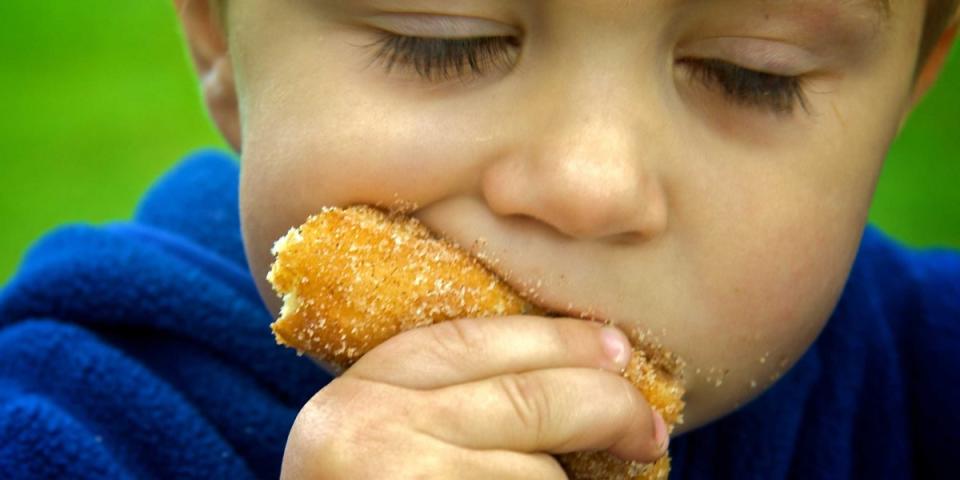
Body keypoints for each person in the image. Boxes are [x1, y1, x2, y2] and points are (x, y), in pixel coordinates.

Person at [2, 0, 958, 478]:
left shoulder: (929, 393)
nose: (591, 184)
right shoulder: (67, 430)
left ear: (904, 94)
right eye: (442, 36)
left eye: (751, 71)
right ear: (217, 35)